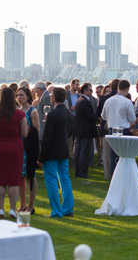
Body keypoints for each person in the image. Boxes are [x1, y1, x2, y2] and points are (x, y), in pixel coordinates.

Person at [0, 87, 28, 219]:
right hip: (15, 147)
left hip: (0, 147)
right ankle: (12, 209)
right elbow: (24, 133)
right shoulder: (20, 114)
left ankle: (1, 209)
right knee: (13, 180)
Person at [38, 87, 74, 217]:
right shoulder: (69, 113)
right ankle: (68, 209)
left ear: (53, 98)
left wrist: (41, 157)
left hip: (52, 151)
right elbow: (70, 133)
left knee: (51, 180)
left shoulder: (52, 114)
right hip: (63, 148)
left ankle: (57, 211)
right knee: (65, 178)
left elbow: (47, 137)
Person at [101, 79, 137, 174]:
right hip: (124, 130)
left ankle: (114, 177)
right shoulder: (127, 102)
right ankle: (124, 176)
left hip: (111, 130)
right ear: (127, 89)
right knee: (124, 156)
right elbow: (133, 119)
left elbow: (103, 116)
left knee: (113, 156)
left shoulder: (108, 101)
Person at [17, 87, 40, 214]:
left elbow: (37, 130)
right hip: (18, 147)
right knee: (20, 177)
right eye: (17, 95)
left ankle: (31, 206)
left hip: (29, 147)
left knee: (30, 176)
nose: (19, 97)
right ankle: (22, 205)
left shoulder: (33, 111)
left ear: (28, 97)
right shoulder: (18, 111)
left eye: (21, 95)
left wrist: (26, 127)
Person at [74, 83, 98, 178]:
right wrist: (98, 118)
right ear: (85, 91)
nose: (92, 92)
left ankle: (78, 172)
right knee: (85, 152)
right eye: (90, 90)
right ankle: (83, 172)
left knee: (79, 151)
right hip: (86, 131)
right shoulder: (85, 102)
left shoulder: (79, 100)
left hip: (80, 130)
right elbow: (91, 116)